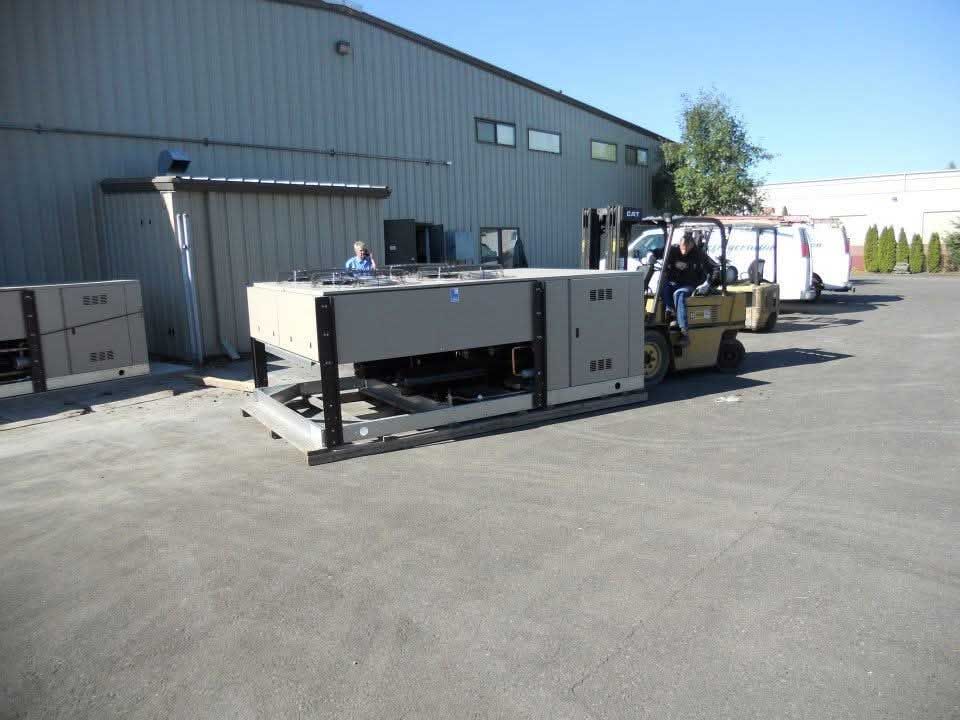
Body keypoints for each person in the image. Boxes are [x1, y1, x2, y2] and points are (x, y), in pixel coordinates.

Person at [660, 231, 717, 342]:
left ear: (692, 245)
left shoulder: (698, 254)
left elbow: (715, 268)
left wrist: (708, 283)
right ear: (679, 244)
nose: (684, 251)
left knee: (679, 293)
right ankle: (671, 313)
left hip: (690, 284)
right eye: (683, 247)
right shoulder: (673, 250)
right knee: (664, 286)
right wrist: (651, 254)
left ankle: (683, 330)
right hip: (675, 283)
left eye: (687, 248)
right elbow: (658, 252)